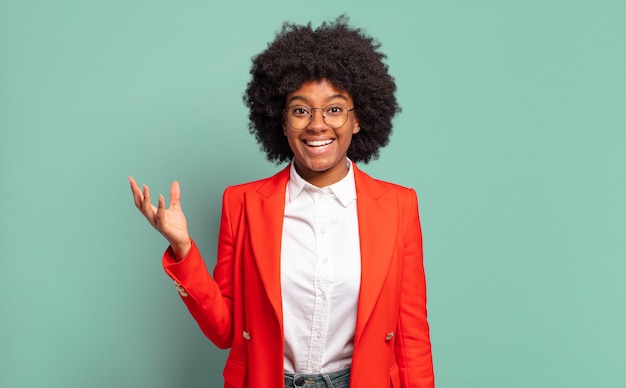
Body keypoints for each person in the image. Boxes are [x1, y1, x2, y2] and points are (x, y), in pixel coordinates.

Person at [129, 16, 434, 388]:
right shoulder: (241, 203)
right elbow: (225, 330)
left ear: (358, 120)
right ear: (282, 120)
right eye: (301, 110)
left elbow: (412, 335)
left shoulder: (399, 205)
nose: (317, 125)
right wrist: (182, 248)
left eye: (335, 109)